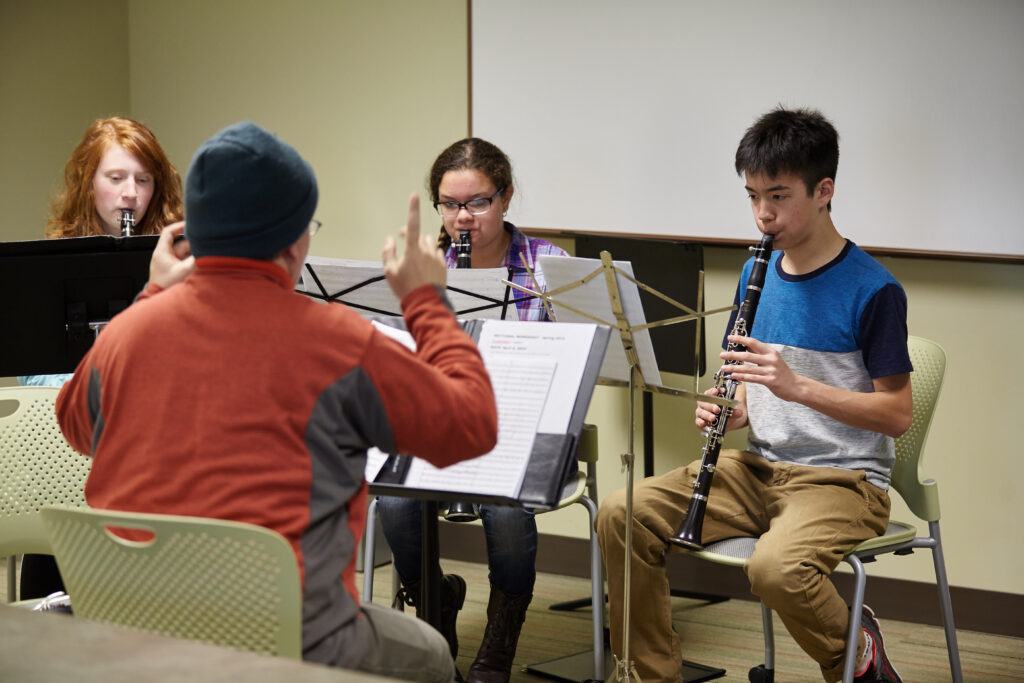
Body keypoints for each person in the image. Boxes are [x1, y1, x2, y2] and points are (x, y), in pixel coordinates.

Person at [54, 121, 498, 683]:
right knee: (431, 654)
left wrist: (151, 294)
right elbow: (472, 426)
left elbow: (76, 429)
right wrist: (426, 301)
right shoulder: (340, 343)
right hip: (289, 644)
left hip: (136, 634)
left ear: (196, 232)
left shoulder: (125, 333)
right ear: (293, 241)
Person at [595, 107, 912, 683]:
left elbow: (897, 414)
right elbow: (745, 388)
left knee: (776, 569)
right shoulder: (753, 273)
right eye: (751, 196)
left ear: (824, 191)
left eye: (779, 195)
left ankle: (854, 651)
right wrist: (731, 409)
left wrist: (798, 386)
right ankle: (648, 675)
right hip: (759, 468)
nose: (763, 213)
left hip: (844, 481)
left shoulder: (874, 289)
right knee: (622, 513)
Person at [376, 137, 568, 683]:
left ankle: (501, 636)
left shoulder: (548, 267)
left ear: (506, 198)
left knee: (506, 512)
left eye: (478, 202)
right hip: (440, 427)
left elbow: (571, 365)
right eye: (450, 204)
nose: (463, 218)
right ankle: (435, 603)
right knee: (393, 503)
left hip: (520, 431)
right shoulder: (422, 265)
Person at [17, 115, 183, 600]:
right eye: (115, 178)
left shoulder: (179, 260)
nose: (130, 194)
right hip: (73, 449)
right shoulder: (54, 268)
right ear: (89, 186)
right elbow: (37, 378)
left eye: (143, 180)